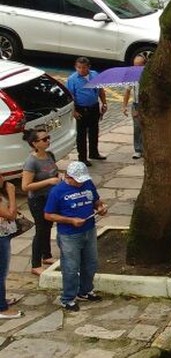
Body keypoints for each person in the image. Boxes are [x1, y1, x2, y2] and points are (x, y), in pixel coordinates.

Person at [43, 161, 108, 312]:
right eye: (77, 181)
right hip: (69, 235)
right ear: (68, 177)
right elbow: (48, 215)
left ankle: (85, 290)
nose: (80, 183)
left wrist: (100, 208)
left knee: (91, 262)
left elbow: (96, 201)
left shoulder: (88, 184)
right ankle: (68, 298)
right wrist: (70, 220)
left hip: (89, 230)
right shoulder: (57, 191)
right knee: (71, 267)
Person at [21, 129, 60, 276]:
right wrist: (48, 181)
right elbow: (25, 186)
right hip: (37, 200)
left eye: (48, 138)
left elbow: (54, 172)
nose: (48, 141)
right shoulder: (31, 162)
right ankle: (35, 264)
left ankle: (47, 255)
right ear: (35, 144)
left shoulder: (50, 156)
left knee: (48, 225)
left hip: (50, 197)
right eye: (44, 139)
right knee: (41, 229)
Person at [65, 57, 106, 165]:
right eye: (79, 67)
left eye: (84, 67)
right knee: (81, 135)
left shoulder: (95, 74)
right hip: (81, 109)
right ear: (75, 67)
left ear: (89, 67)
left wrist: (104, 103)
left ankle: (94, 152)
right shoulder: (72, 79)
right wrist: (73, 111)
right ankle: (82, 157)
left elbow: (101, 89)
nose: (81, 70)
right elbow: (70, 97)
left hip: (94, 107)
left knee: (94, 131)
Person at [0, 177, 21, 319]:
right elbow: (11, 214)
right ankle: (2, 308)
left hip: (4, 234)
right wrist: (12, 193)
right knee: (1, 273)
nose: (3, 178)